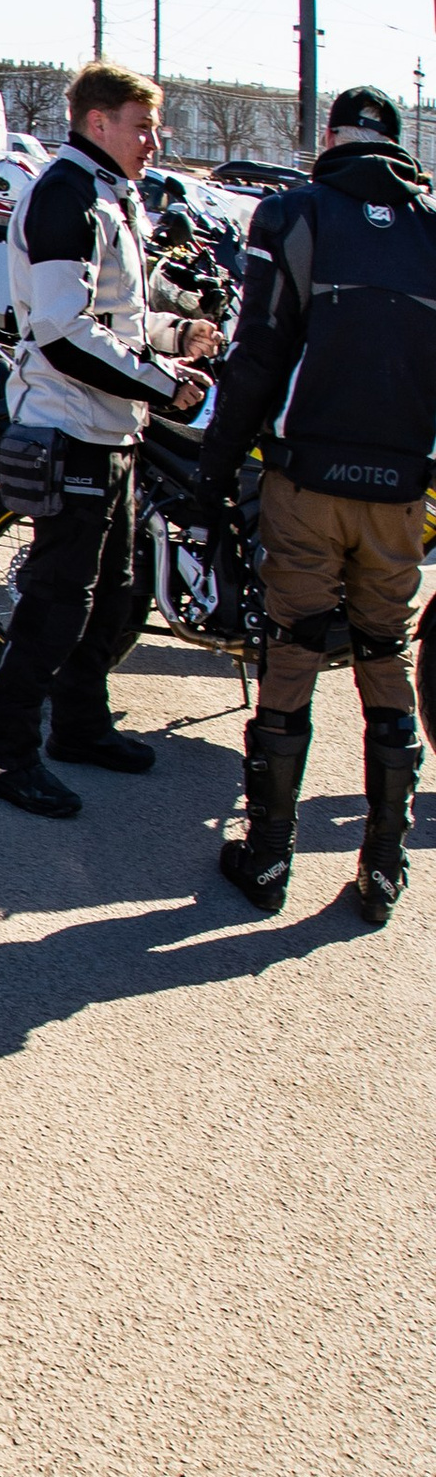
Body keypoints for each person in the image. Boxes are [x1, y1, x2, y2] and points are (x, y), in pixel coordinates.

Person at [200, 81, 436, 924]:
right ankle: (383, 865)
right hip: (400, 492)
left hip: (307, 479)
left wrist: (214, 466)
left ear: (330, 138)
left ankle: (268, 856)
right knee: (384, 655)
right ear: (398, 144)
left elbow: (258, 351)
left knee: (293, 654)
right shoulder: (431, 228)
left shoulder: (291, 214)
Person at [0, 62, 216, 819]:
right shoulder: (66, 194)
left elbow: (115, 316)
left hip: (111, 429)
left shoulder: (110, 193)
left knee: (112, 595)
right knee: (56, 603)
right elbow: (60, 329)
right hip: (68, 425)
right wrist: (162, 383)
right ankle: (6, 755)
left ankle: (79, 726)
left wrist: (176, 334)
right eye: (143, 126)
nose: (154, 141)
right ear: (97, 122)